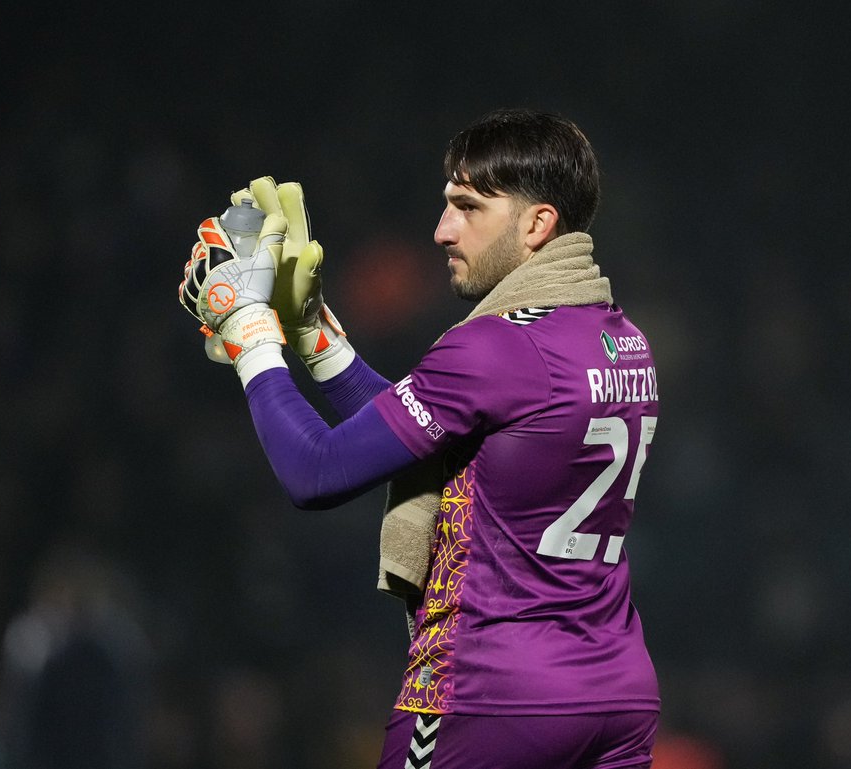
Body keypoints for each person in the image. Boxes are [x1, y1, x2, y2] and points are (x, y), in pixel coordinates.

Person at [178, 108, 661, 769]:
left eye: (467, 206)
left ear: (537, 223)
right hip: (617, 693)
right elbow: (430, 429)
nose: (442, 230)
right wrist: (312, 332)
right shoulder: (622, 340)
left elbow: (315, 471)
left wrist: (248, 330)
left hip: (490, 697)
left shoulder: (495, 345)